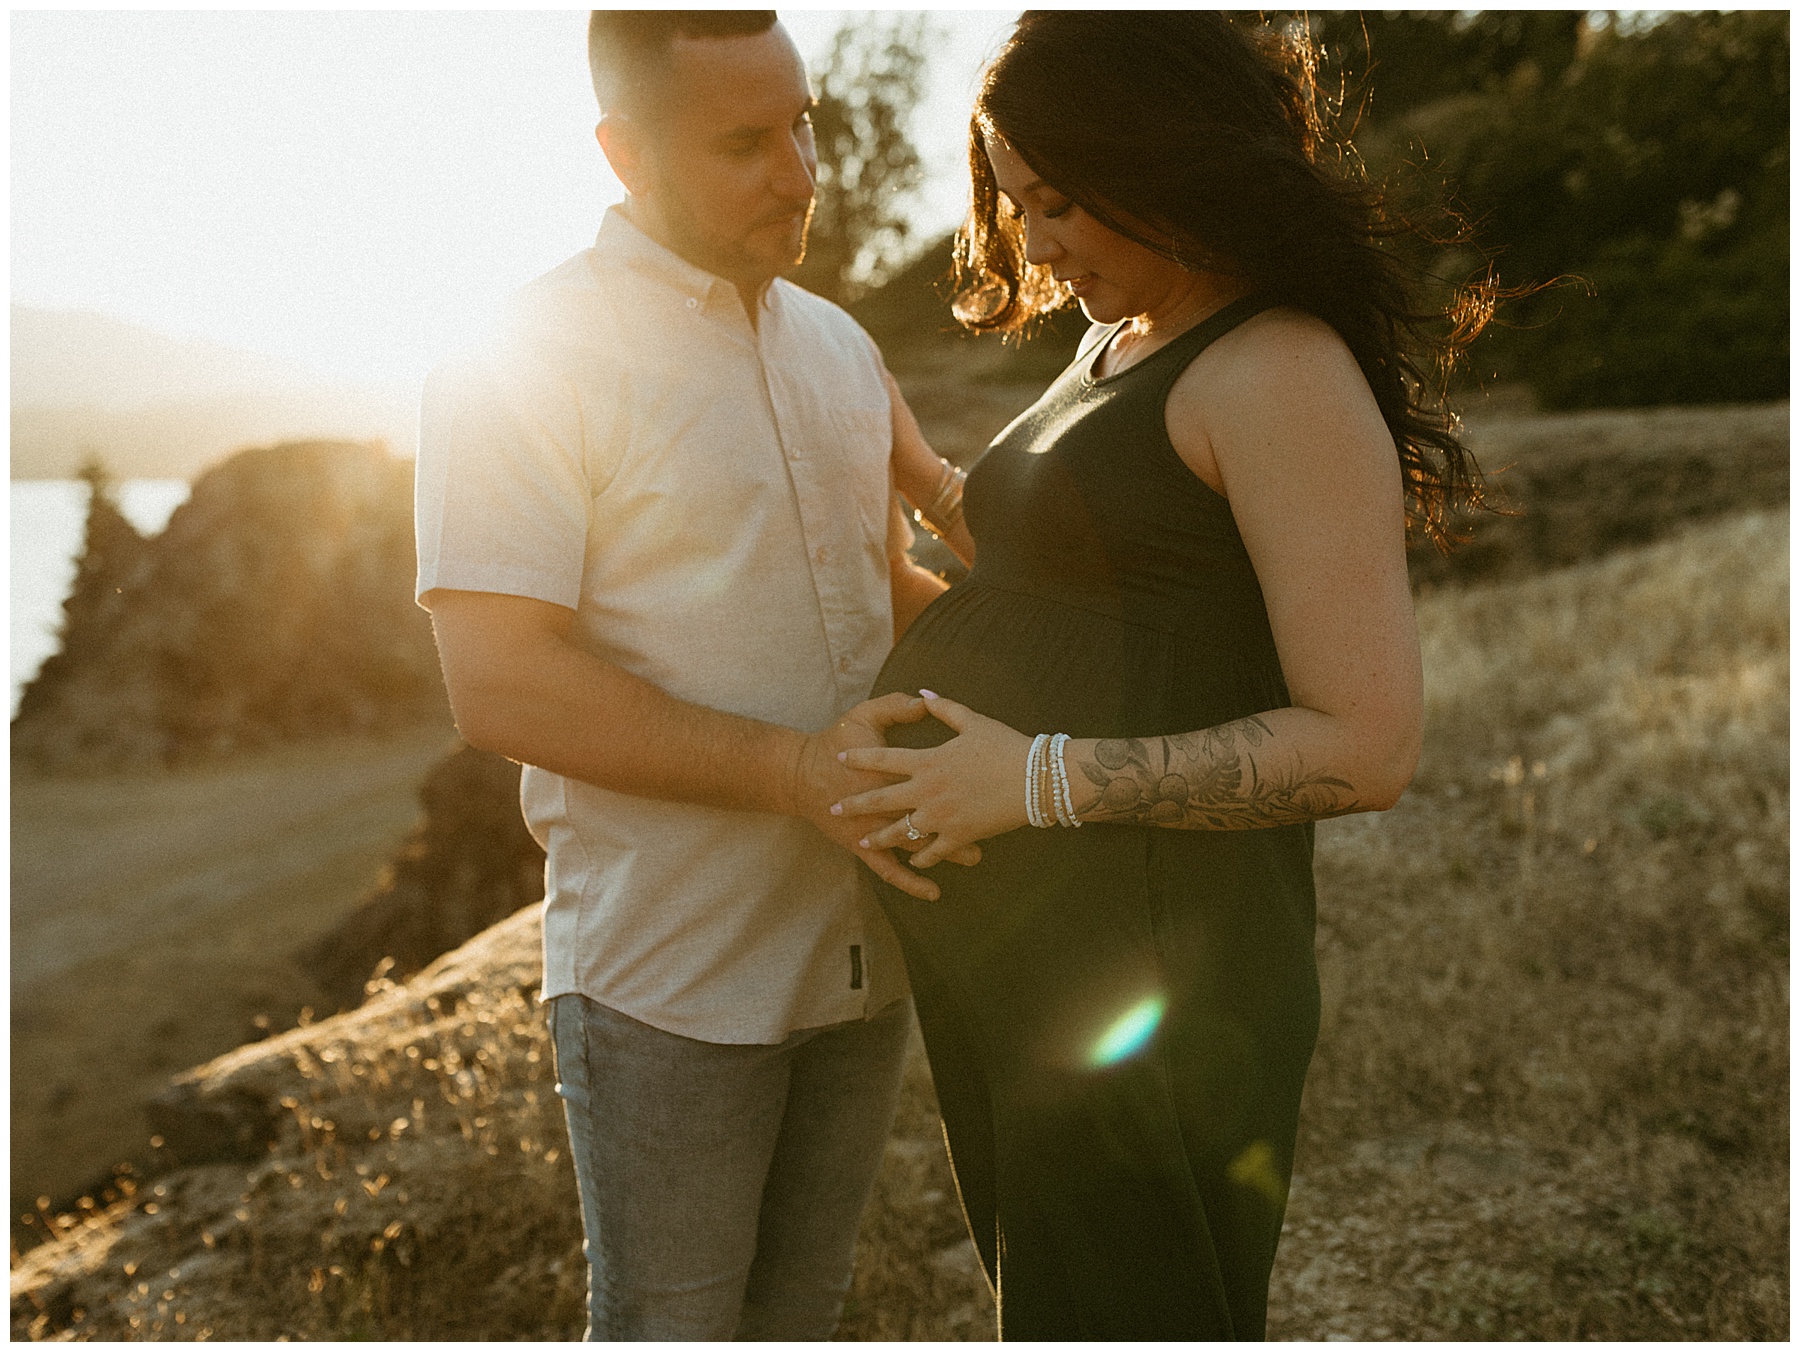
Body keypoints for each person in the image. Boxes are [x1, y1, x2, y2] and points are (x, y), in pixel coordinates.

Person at [826, 11, 1495, 1340]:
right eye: (1015, 204)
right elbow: (1073, 583)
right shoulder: (1121, 336)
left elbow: (1369, 745)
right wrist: (896, 463)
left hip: (1156, 975)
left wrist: (1035, 782)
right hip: (1033, 964)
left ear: (1164, 161)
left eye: (1060, 200)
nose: (1034, 242)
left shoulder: (1278, 371)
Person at [414, 11, 973, 1340]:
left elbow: (887, 590)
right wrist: (796, 772)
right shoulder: (522, 360)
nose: (799, 172)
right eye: (744, 144)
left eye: (804, 127)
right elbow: (498, 686)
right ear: (624, 153)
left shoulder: (838, 346)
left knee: (802, 1315)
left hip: (864, 949)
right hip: (668, 976)